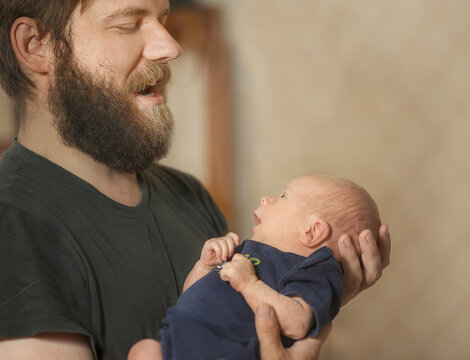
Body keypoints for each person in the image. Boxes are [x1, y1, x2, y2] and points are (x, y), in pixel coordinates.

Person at [0, 0, 391, 359]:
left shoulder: (188, 195)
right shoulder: (11, 226)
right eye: (129, 24)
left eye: (163, 19)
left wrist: (318, 296)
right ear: (35, 45)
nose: (170, 46)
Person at [128, 175, 381, 360]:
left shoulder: (313, 270)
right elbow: (189, 299)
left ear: (312, 231)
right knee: (143, 351)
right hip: (176, 343)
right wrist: (205, 266)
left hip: (226, 352)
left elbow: (298, 322)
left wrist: (249, 284)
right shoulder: (248, 250)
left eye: (283, 196)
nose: (266, 199)